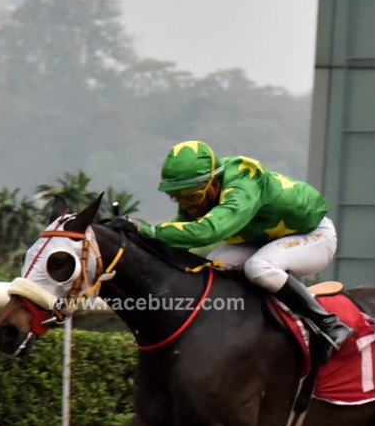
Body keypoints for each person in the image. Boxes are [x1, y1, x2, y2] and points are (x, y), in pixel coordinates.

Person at [139, 141, 353, 363]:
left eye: (192, 196)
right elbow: (178, 239)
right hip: (263, 240)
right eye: (177, 197)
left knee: (259, 267)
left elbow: (209, 231)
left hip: (314, 236)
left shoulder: (243, 184)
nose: (188, 206)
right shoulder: (199, 193)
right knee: (213, 266)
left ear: (214, 181)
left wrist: (149, 231)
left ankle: (329, 324)